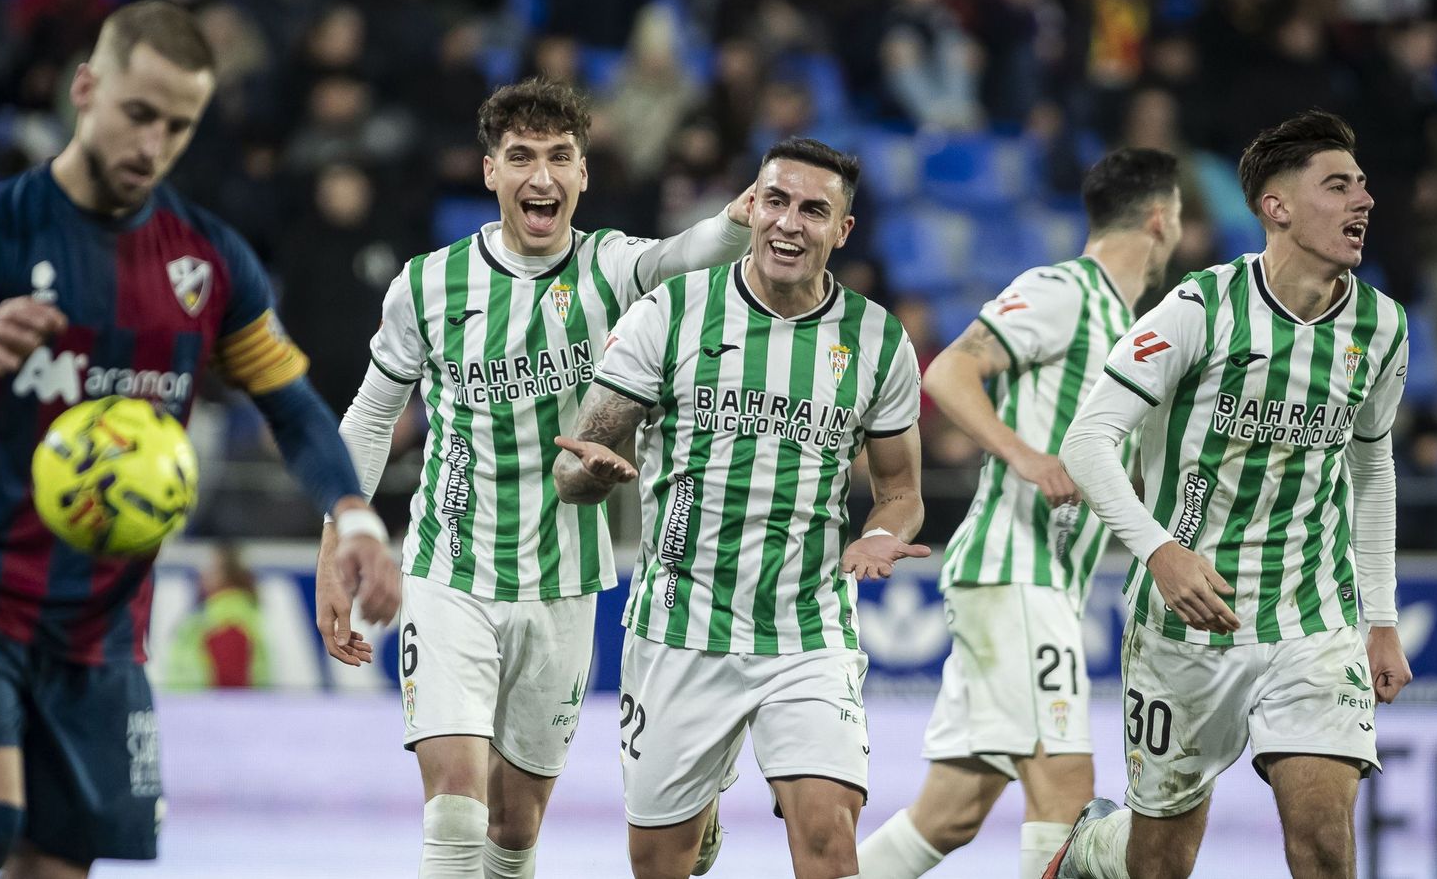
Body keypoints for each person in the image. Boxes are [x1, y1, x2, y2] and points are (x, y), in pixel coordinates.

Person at [0, 1, 396, 879]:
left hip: (102, 617)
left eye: (178, 125)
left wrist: (355, 517)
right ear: (87, 89)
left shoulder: (208, 260)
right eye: (138, 113)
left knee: (57, 867)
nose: (152, 144)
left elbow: (293, 406)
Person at [315, 77, 752, 878]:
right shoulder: (427, 283)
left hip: (566, 585)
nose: (541, 176)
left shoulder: (613, 269)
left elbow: (681, 256)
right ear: (491, 172)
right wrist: (336, 542)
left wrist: (737, 219)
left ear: (584, 174)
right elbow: (370, 418)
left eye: (560, 158)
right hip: (450, 571)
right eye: (521, 157)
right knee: (454, 801)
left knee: (514, 834)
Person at [1047, 109, 1413, 879]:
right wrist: (1161, 554)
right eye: (1338, 185)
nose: (1364, 200)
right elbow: (1085, 442)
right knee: (1158, 865)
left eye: (1364, 185)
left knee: (1323, 845)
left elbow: (1372, 467)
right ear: (1275, 207)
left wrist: (1379, 617)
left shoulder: (1381, 327)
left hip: (1312, 619)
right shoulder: (1199, 308)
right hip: (1186, 624)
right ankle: (1092, 847)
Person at [554, 137, 930, 879]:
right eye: (776, 201)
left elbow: (901, 491)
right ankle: (703, 812)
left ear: (841, 231)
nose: (789, 223)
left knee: (829, 841)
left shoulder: (879, 341)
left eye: (814, 210)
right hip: (680, 626)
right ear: (751, 206)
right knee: (663, 863)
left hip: (806, 627)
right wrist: (591, 474)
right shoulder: (673, 310)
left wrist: (882, 534)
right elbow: (574, 471)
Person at [859, 148, 1184, 879]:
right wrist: (1025, 457)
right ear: (1161, 219)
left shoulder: (1126, 324)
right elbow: (948, 368)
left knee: (949, 816)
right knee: (1067, 801)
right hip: (1017, 575)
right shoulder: (1066, 290)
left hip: (1040, 584)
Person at [164, 542, 270, 689]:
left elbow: (231, 681)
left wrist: (221, 711)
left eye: (211, 569)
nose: (202, 574)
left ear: (226, 576)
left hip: (208, 708)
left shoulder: (227, 616)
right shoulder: (220, 612)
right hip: (200, 706)